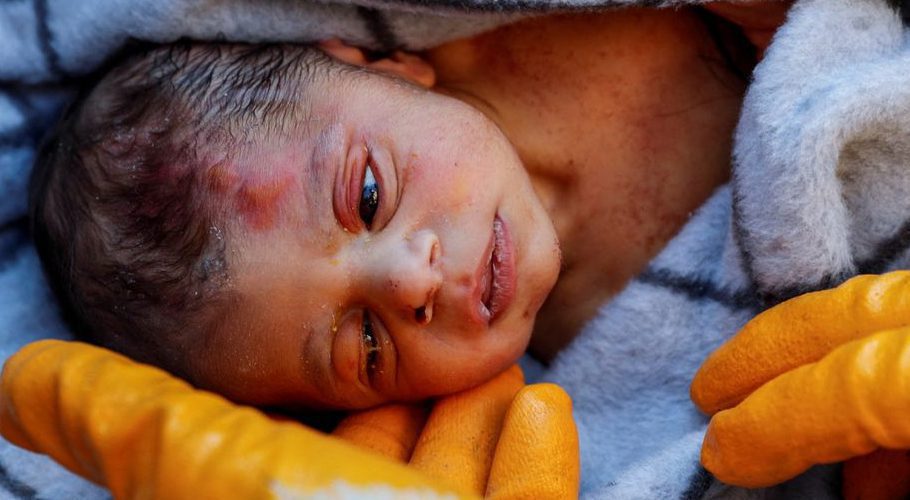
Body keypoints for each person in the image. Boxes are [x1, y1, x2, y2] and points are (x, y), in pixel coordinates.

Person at [41, 2, 907, 497]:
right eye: (367, 345)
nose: (410, 280)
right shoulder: (575, 416)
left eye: (367, 194)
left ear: (382, 66)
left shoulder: (507, 25)